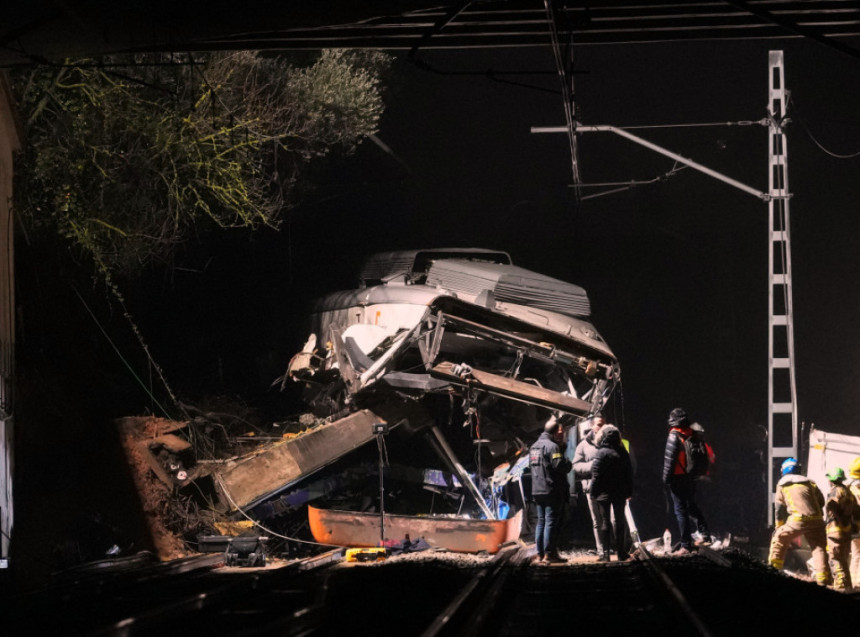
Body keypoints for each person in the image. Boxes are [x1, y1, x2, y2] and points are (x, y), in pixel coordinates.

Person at [768, 457, 832, 586]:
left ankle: (772, 571)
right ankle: (823, 580)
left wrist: (779, 526)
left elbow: (779, 508)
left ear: (784, 470)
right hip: (817, 520)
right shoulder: (810, 483)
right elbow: (821, 501)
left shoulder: (783, 483)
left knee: (779, 540)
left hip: (797, 520)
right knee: (819, 548)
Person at [662, 407, 712, 553]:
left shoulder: (674, 436)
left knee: (680, 510)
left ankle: (685, 545)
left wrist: (666, 479)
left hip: (677, 477)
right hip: (691, 477)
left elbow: (669, 460)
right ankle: (705, 534)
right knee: (691, 505)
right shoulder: (692, 434)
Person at [529, 415, 573, 564]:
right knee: (550, 522)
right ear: (555, 433)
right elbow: (559, 465)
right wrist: (568, 463)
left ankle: (539, 554)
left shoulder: (534, 446)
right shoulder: (552, 446)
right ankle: (549, 554)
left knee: (540, 522)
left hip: (537, 489)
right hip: (550, 489)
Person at [590, 423, 633, 562]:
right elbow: (629, 474)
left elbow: (596, 475)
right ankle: (621, 552)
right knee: (619, 521)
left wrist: (593, 492)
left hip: (604, 493)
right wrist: (629, 491)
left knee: (605, 522)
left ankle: (606, 555)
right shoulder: (622, 452)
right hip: (620, 493)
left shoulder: (601, 453)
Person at [573, 414, 605, 554]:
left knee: (611, 519)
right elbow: (576, 466)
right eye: (598, 424)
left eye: (603, 424)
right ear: (592, 425)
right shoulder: (583, 445)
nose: (601, 426)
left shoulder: (610, 442)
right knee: (597, 521)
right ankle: (601, 549)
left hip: (607, 487)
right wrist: (593, 465)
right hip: (590, 488)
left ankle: (614, 546)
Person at [824, 467, 855, 591]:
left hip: (835, 529)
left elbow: (832, 506)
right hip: (846, 530)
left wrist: (838, 519)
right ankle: (848, 586)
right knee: (843, 559)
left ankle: (841, 588)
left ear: (831, 480)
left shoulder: (835, 491)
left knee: (835, 558)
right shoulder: (848, 491)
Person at [846, 456, 860, 586]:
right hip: (858, 527)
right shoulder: (856, 490)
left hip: (852, 528)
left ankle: (853, 581)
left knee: (856, 555)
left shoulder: (848, 488)